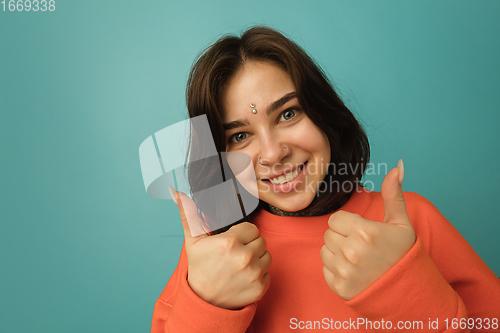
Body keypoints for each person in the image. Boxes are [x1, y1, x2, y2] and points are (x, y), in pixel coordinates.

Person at [151, 26, 500, 332]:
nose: (273, 154)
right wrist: (207, 308)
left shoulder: (414, 223)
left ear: (323, 113)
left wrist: (403, 291)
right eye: (240, 136)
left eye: (288, 113)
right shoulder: (216, 247)